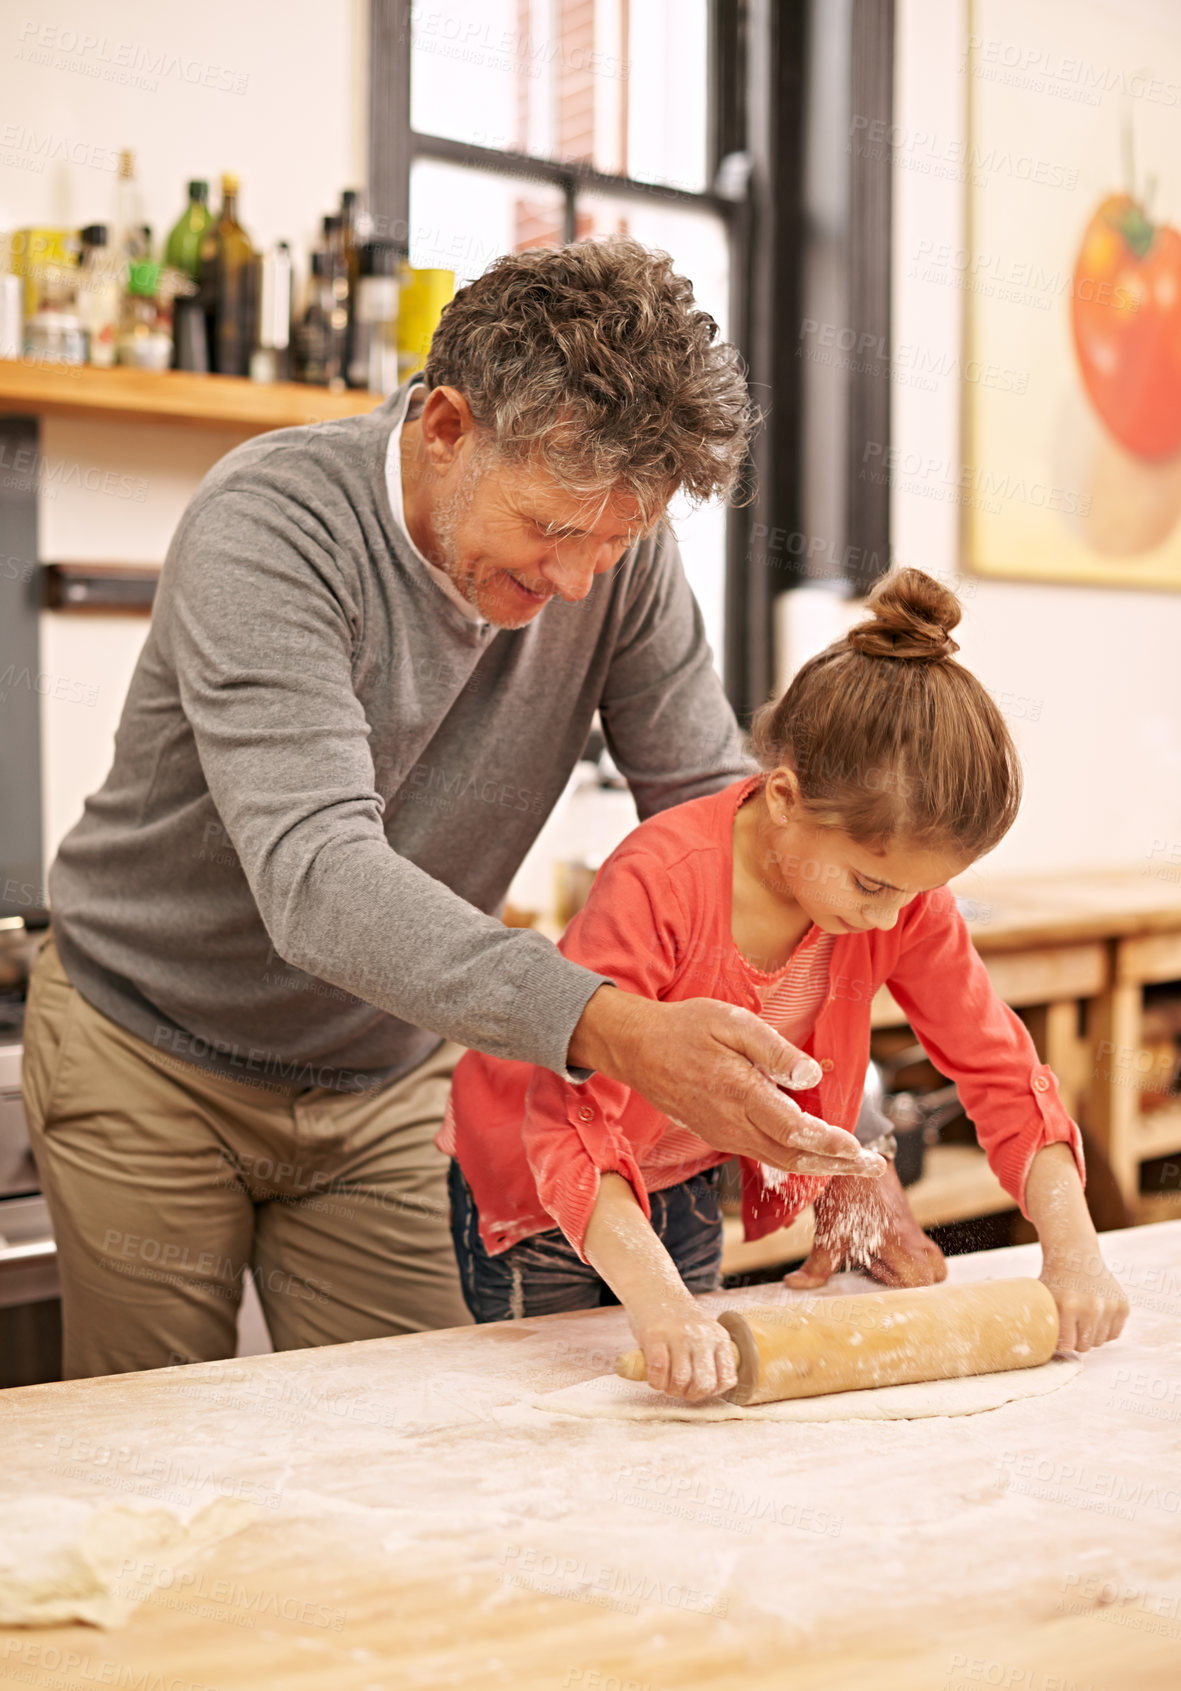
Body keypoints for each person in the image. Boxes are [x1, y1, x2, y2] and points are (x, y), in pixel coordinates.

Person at [24, 237, 912, 1380]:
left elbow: (709, 821)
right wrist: (613, 1026)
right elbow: (319, 878)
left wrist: (826, 1108)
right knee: (160, 1450)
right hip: (147, 1047)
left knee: (409, 1441)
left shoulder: (609, 553)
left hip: (382, 1073)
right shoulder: (274, 524)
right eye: (551, 529)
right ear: (446, 427)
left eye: (615, 541)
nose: (579, 581)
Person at [444, 568, 1131, 1400]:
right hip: (537, 1182)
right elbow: (568, 1120)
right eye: (872, 886)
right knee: (561, 1409)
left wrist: (1073, 1251)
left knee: (679, 1398)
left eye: (914, 893)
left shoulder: (896, 901)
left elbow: (999, 1071)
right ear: (782, 798)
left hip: (677, 1174)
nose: (890, 922)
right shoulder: (662, 879)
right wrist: (662, 1305)